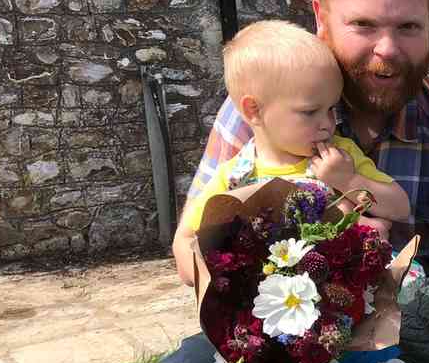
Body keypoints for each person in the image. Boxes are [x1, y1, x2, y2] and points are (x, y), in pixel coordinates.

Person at [162, 0, 429, 363]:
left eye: (408, 26)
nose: (388, 49)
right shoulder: (264, 107)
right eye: (363, 24)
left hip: (395, 352)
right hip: (267, 338)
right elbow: (192, 248)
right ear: (320, 18)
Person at [172, 19, 410, 287]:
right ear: (254, 110)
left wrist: (349, 181)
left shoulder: (338, 156)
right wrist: (214, 283)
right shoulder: (235, 177)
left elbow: (401, 208)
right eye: (310, 112)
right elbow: (185, 238)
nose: (328, 123)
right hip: (277, 307)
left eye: (331, 108)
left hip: (349, 295)